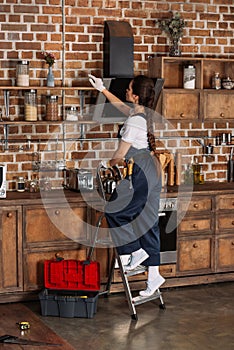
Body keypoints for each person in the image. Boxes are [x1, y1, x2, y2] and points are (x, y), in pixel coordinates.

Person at [89, 74, 165, 297]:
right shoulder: (140, 114)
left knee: (115, 210)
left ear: (136, 95)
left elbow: (120, 155)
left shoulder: (134, 121)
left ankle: (134, 251)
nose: (125, 91)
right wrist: (102, 89)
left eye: (129, 88)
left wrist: (105, 163)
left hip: (141, 173)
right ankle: (154, 277)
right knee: (149, 222)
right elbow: (121, 106)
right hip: (152, 172)